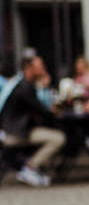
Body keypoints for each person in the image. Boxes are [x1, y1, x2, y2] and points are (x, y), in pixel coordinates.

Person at [0, 54, 65, 187]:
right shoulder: (24, 88)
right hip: (15, 133)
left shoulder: (22, 84)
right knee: (59, 138)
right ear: (29, 68)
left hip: (15, 130)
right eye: (40, 65)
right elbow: (43, 110)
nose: (44, 68)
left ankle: (31, 168)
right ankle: (30, 168)